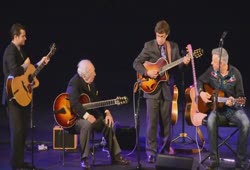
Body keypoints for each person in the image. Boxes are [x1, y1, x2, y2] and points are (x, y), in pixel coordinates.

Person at [132, 19, 191, 163]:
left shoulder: (174, 47)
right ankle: (151, 153)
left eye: (162, 36)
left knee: (166, 123)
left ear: (167, 35)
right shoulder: (149, 46)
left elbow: (178, 67)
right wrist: (147, 73)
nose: (160, 39)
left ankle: (165, 150)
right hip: (151, 89)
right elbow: (136, 63)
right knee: (151, 123)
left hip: (167, 89)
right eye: (158, 36)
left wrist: (185, 63)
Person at [2, 23, 50, 170]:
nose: (25, 38)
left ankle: (20, 163)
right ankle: (15, 165)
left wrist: (40, 63)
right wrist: (25, 65)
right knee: (17, 132)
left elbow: (27, 72)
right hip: (13, 97)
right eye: (23, 35)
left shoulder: (20, 50)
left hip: (22, 96)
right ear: (15, 36)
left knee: (23, 131)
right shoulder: (10, 51)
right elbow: (15, 71)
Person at [65, 59, 130, 169]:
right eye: (92, 72)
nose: (95, 74)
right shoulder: (74, 82)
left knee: (107, 124)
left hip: (89, 117)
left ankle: (116, 157)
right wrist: (86, 116)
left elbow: (97, 99)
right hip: (73, 119)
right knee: (86, 125)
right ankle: (84, 159)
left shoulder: (90, 83)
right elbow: (74, 103)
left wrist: (107, 112)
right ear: (85, 75)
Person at [197, 47, 250, 169]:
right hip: (216, 110)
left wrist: (234, 102)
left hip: (233, 111)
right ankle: (214, 159)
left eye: (213, 61)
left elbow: (241, 97)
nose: (211, 63)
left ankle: (241, 161)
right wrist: (201, 93)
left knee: (246, 123)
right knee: (210, 121)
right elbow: (200, 80)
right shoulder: (211, 71)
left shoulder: (235, 74)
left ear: (221, 63)